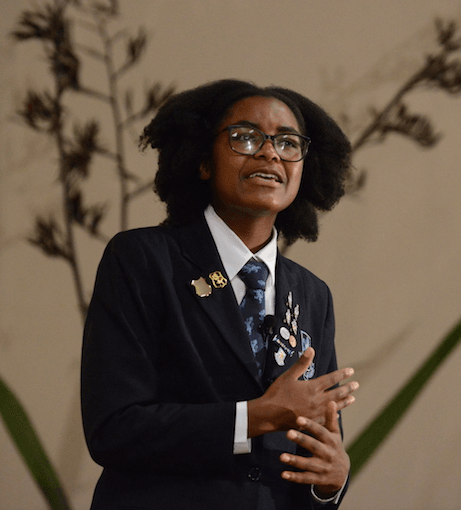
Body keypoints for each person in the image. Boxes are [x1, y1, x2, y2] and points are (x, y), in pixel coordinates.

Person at [81, 79, 359, 510]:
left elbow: (314, 453)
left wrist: (331, 482)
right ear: (202, 161)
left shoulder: (313, 295)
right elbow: (114, 428)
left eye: (288, 143)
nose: (270, 153)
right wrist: (253, 418)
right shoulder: (143, 260)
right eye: (246, 137)